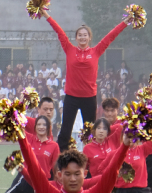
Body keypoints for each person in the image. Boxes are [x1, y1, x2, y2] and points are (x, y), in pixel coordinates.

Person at [37, 10, 128, 151]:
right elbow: (59, 31)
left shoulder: (96, 51)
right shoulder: (69, 49)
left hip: (89, 98)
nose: (82, 37)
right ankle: (60, 159)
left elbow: (110, 36)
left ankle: (92, 158)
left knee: (90, 132)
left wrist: (125, 22)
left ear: (89, 37)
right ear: (76, 38)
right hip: (71, 97)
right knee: (65, 131)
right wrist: (46, 16)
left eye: (85, 35)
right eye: (80, 35)